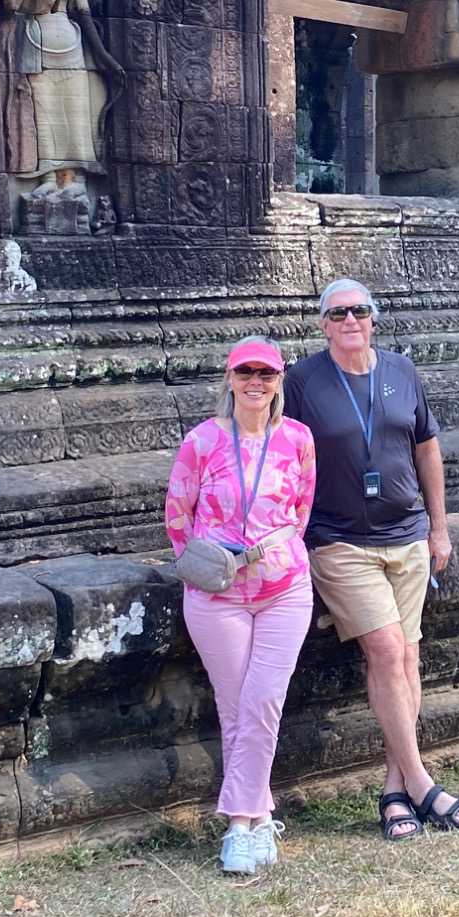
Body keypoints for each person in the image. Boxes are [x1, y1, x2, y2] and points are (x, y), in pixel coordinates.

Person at [284, 278, 459, 841]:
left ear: (374, 318)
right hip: (340, 540)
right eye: (338, 313)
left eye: (359, 310)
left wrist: (439, 528)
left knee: (408, 657)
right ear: (323, 325)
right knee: (388, 650)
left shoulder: (401, 371)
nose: (350, 320)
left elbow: (426, 448)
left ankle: (395, 792)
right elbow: (284, 454)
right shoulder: (302, 382)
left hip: (407, 535)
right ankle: (424, 784)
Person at [165, 338, 317, 875]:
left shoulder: (297, 438)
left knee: (264, 700)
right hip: (217, 591)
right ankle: (253, 820)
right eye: (246, 372)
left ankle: (241, 823)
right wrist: (207, 564)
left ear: (279, 382)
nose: (256, 382)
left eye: (266, 374)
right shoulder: (202, 440)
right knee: (236, 707)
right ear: (230, 379)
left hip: (284, 587)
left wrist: (269, 556)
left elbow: (301, 509)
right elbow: (177, 513)